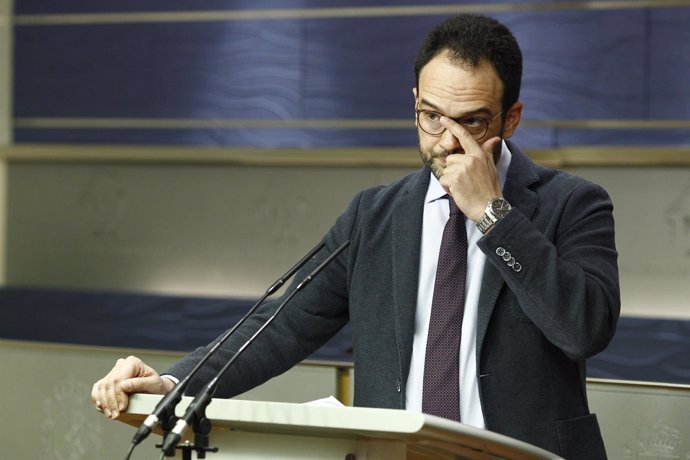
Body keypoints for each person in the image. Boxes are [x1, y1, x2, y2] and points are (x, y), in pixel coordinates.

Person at [92, 14, 619, 459]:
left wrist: (492, 213)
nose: (448, 141)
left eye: (473, 122)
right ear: (414, 102)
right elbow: (280, 326)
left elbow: (584, 328)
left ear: (512, 118)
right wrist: (171, 386)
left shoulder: (572, 203)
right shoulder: (376, 214)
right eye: (431, 116)